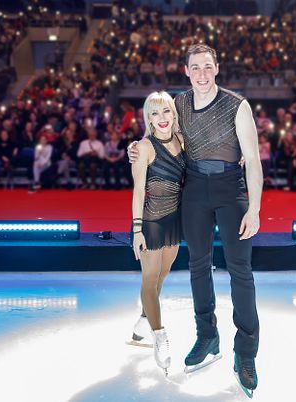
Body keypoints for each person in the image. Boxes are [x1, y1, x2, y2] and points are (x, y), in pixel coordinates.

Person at [129, 44, 262, 395]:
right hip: (194, 190)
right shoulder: (180, 104)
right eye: (195, 67)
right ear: (186, 71)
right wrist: (138, 145)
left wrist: (255, 208)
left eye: (207, 66)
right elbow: (161, 129)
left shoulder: (238, 106)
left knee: (240, 270)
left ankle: (246, 354)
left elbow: (254, 160)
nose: (202, 73)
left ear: (217, 68)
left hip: (230, 189)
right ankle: (207, 336)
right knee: (199, 266)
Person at [128, 91, 186, 376]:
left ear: (173, 114)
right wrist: (137, 230)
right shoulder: (144, 147)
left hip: (175, 221)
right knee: (150, 281)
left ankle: (143, 320)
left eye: (166, 112)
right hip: (150, 222)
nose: (161, 119)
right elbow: (138, 190)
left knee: (162, 277)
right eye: (154, 113)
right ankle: (159, 336)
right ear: (147, 118)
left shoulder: (182, 140)